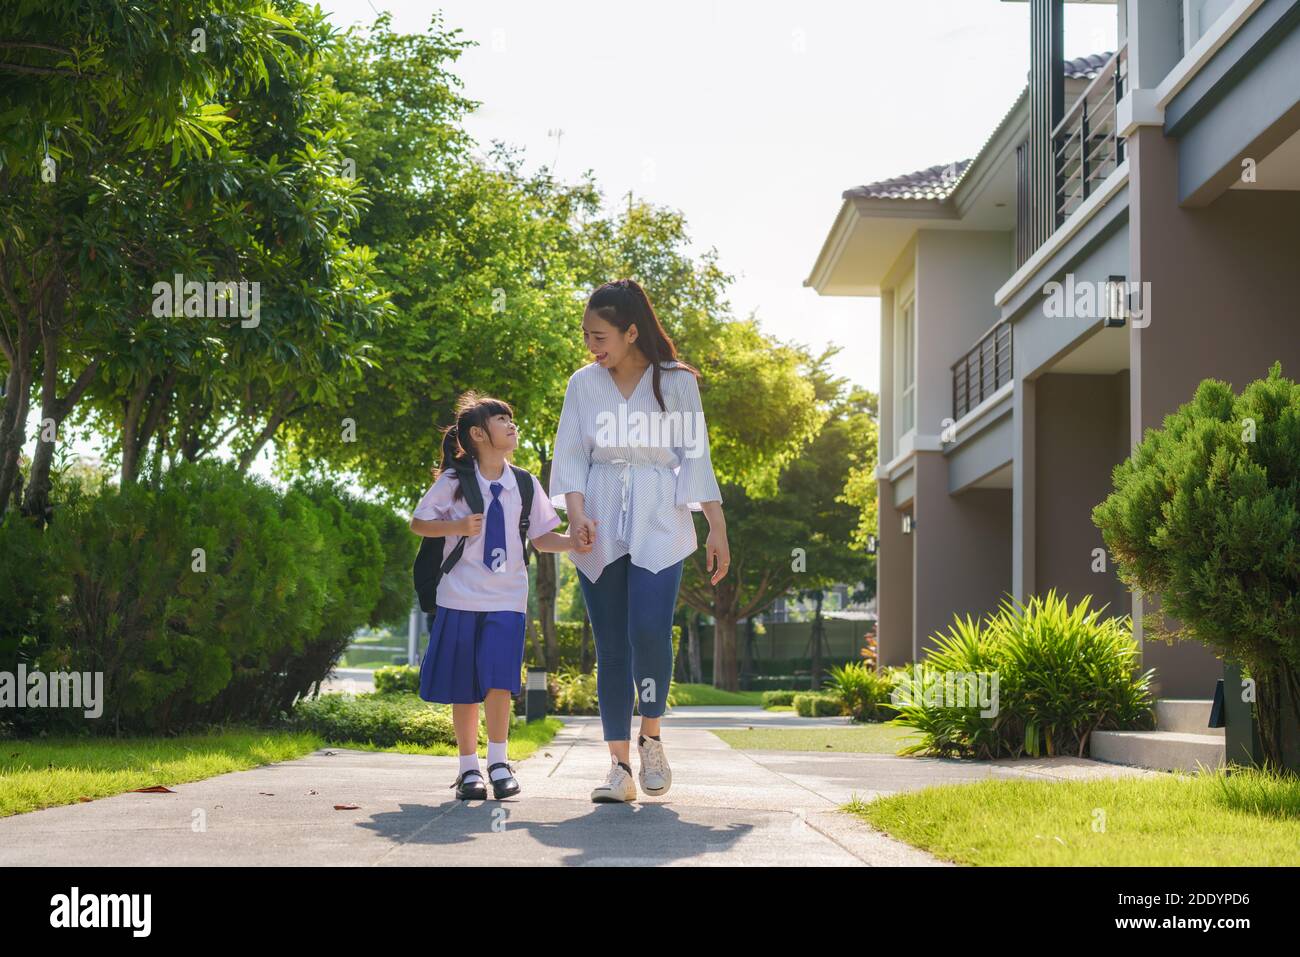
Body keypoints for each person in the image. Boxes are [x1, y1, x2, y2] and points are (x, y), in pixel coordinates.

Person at [549, 278, 730, 803]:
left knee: (648, 630)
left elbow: (695, 457)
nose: (591, 345)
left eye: (600, 335)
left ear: (631, 332)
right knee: (610, 645)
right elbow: (570, 455)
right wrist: (576, 516)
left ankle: (651, 737)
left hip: (661, 512)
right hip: (599, 512)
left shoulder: (675, 382)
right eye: (586, 335)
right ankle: (618, 769)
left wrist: (716, 525)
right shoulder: (583, 383)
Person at [410, 391, 588, 800]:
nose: (512, 425)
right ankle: (468, 769)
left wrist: (574, 542)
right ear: (477, 434)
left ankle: (499, 762)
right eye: (502, 420)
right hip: (459, 596)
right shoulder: (455, 481)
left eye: (512, 419)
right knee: (463, 686)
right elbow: (419, 524)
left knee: (499, 682)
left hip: (507, 598)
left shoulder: (524, 483)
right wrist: (454, 526)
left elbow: (542, 538)